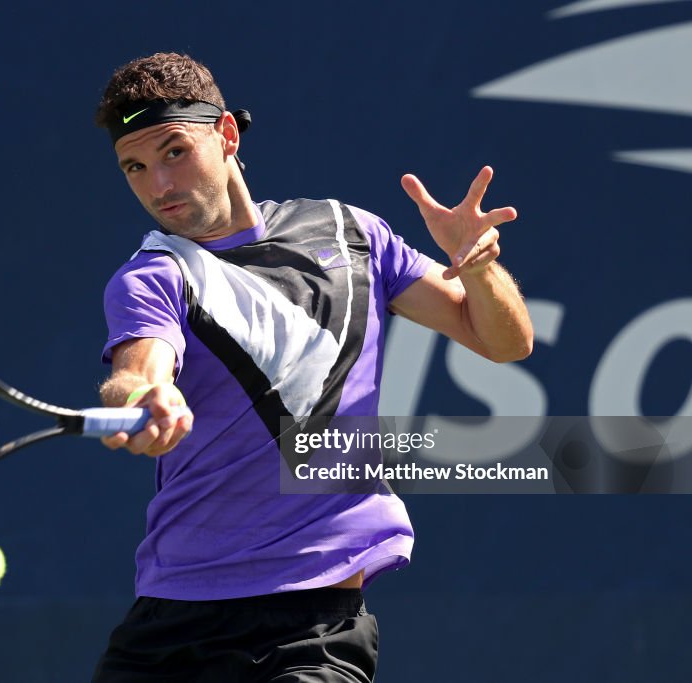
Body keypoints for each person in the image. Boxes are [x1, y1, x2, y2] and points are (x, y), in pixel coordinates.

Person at [90, 52, 533, 682]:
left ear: (227, 136)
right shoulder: (154, 275)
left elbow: (503, 342)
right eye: (135, 167)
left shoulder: (350, 232)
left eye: (174, 152)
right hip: (173, 618)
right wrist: (143, 396)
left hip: (313, 622)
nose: (158, 186)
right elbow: (141, 368)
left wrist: (480, 266)